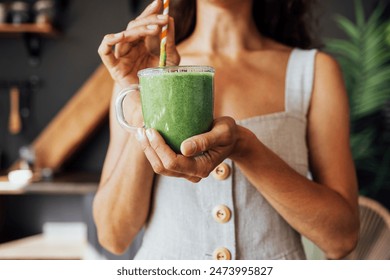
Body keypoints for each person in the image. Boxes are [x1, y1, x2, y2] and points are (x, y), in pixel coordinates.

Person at [94, 0, 360, 260]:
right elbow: (113, 237)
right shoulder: (146, 72)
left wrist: (246, 148)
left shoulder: (314, 71)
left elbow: (341, 240)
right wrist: (149, 101)